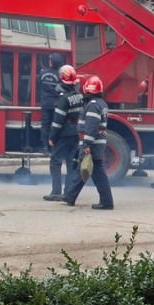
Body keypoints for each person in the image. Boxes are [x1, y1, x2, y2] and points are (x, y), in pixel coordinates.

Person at [62, 76, 114, 210]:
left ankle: (107, 202)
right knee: (84, 169)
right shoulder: (100, 103)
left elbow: (91, 127)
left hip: (92, 143)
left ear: (88, 90)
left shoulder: (92, 105)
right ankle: (70, 196)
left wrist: (86, 145)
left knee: (95, 172)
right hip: (96, 142)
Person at [43, 65, 84, 202]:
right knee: (71, 162)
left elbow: (57, 121)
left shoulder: (63, 99)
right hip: (75, 132)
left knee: (55, 161)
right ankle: (68, 192)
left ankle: (56, 192)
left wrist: (52, 136)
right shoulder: (79, 96)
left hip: (64, 133)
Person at [39, 53, 65, 153]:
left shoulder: (42, 73)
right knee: (56, 125)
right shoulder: (60, 75)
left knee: (45, 125)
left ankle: (45, 147)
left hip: (45, 103)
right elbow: (62, 89)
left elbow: (39, 85)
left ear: (51, 62)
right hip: (56, 104)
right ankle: (54, 147)